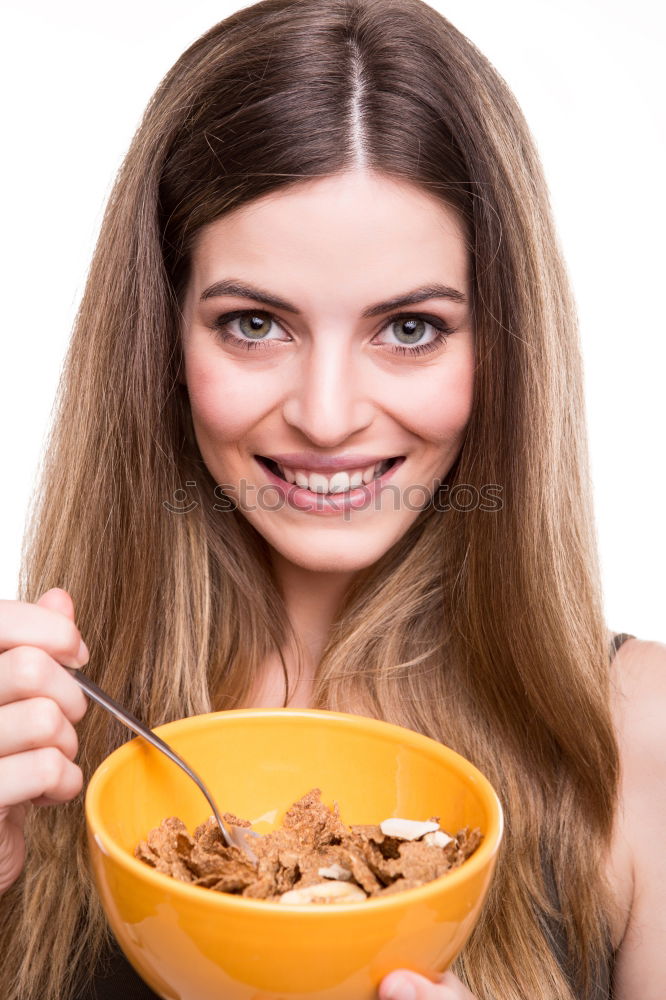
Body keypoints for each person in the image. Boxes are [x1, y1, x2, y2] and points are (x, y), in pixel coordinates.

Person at [0, 0, 664, 997]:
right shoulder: (41, 731)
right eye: (256, 322)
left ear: (504, 351)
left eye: (409, 328)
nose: (325, 415)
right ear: (163, 345)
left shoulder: (639, 738)